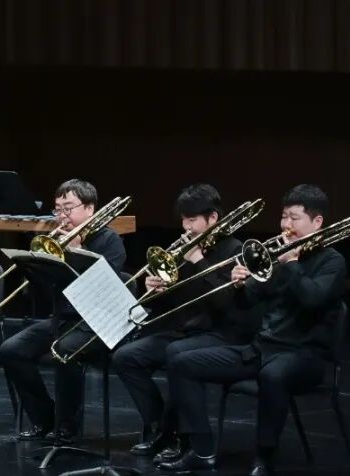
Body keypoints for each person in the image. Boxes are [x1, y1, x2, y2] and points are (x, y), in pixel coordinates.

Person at [161, 185, 346, 476]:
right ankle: (201, 450)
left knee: (273, 375)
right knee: (182, 363)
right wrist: (239, 284)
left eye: (294, 218)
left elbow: (313, 299)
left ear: (317, 222)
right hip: (263, 349)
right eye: (284, 217)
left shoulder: (332, 261)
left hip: (304, 355)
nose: (285, 225)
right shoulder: (277, 258)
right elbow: (247, 302)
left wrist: (292, 264)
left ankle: (263, 458)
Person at [110, 184, 260, 459]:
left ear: (212, 218)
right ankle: (160, 429)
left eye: (192, 220)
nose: (186, 227)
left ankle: (184, 437)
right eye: (183, 220)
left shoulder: (235, 249)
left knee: (176, 353)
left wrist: (199, 261)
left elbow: (225, 302)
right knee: (126, 357)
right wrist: (155, 289)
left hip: (221, 334)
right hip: (185, 331)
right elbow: (166, 304)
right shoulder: (183, 250)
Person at [0, 179, 126, 442]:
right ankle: (45, 418)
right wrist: (35, 269)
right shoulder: (56, 240)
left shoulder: (109, 241)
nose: (62, 216)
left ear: (89, 209)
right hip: (63, 318)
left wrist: (77, 251)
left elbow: (105, 291)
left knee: (64, 350)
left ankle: (68, 426)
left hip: (96, 322)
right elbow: (47, 293)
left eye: (68, 208)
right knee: (11, 350)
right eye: (57, 209)